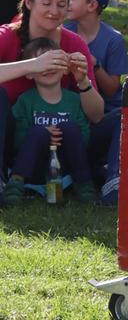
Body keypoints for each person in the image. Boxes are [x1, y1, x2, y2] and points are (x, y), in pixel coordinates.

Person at [0, 0, 103, 181]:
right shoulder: (8, 35)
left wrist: (83, 81)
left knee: (121, 117)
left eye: (61, 5)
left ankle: (113, 180)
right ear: (29, 1)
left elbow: (96, 116)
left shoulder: (74, 43)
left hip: (61, 139)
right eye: (46, 3)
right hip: (11, 133)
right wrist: (33, 65)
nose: (54, 11)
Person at [64, 0, 128, 206]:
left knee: (125, 118)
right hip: (72, 115)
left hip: (103, 119)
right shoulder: (64, 31)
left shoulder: (113, 39)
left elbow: (112, 89)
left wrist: (93, 63)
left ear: (92, 5)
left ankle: (114, 182)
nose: (66, 3)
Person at [3, 37, 96, 205]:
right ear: (30, 73)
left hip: (66, 169)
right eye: (43, 64)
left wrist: (63, 134)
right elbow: (16, 140)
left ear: (65, 69)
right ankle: (15, 183)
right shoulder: (25, 101)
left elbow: (85, 137)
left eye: (53, 63)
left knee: (69, 127)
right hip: (33, 166)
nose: (48, 69)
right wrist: (44, 134)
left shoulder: (74, 100)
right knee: (38, 130)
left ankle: (84, 184)